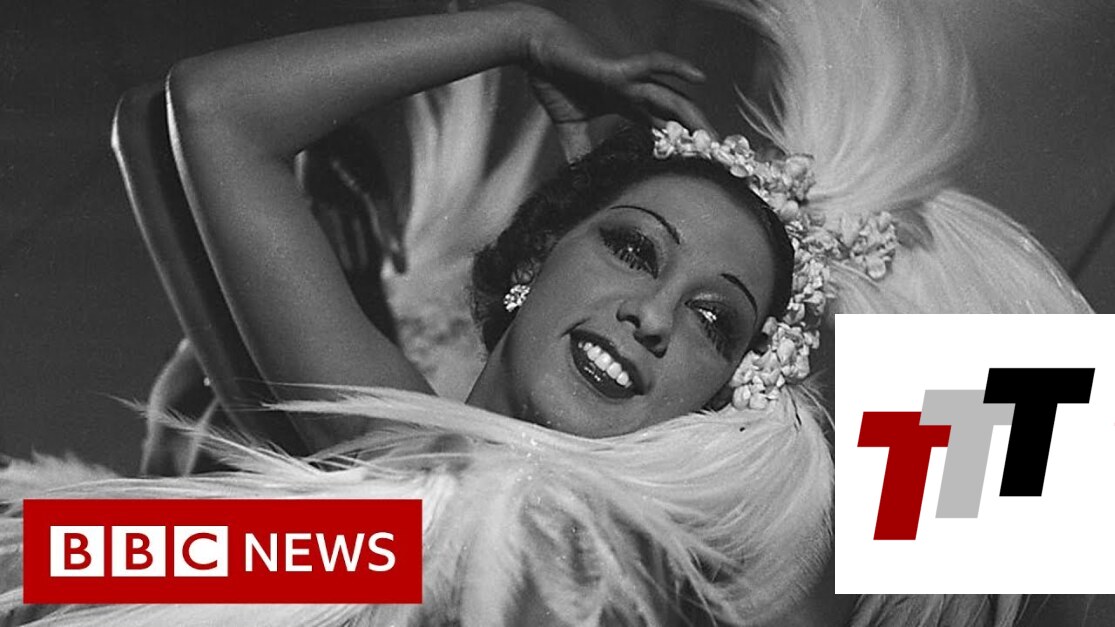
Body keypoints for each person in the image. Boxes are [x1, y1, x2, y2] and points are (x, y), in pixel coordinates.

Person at [0, 0, 1093, 624]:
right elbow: (202, 113)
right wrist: (519, 33)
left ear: (727, 393)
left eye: (714, 321)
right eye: (632, 249)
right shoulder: (384, 491)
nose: (652, 315)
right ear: (532, 260)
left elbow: (1039, 505)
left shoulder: (643, 576)